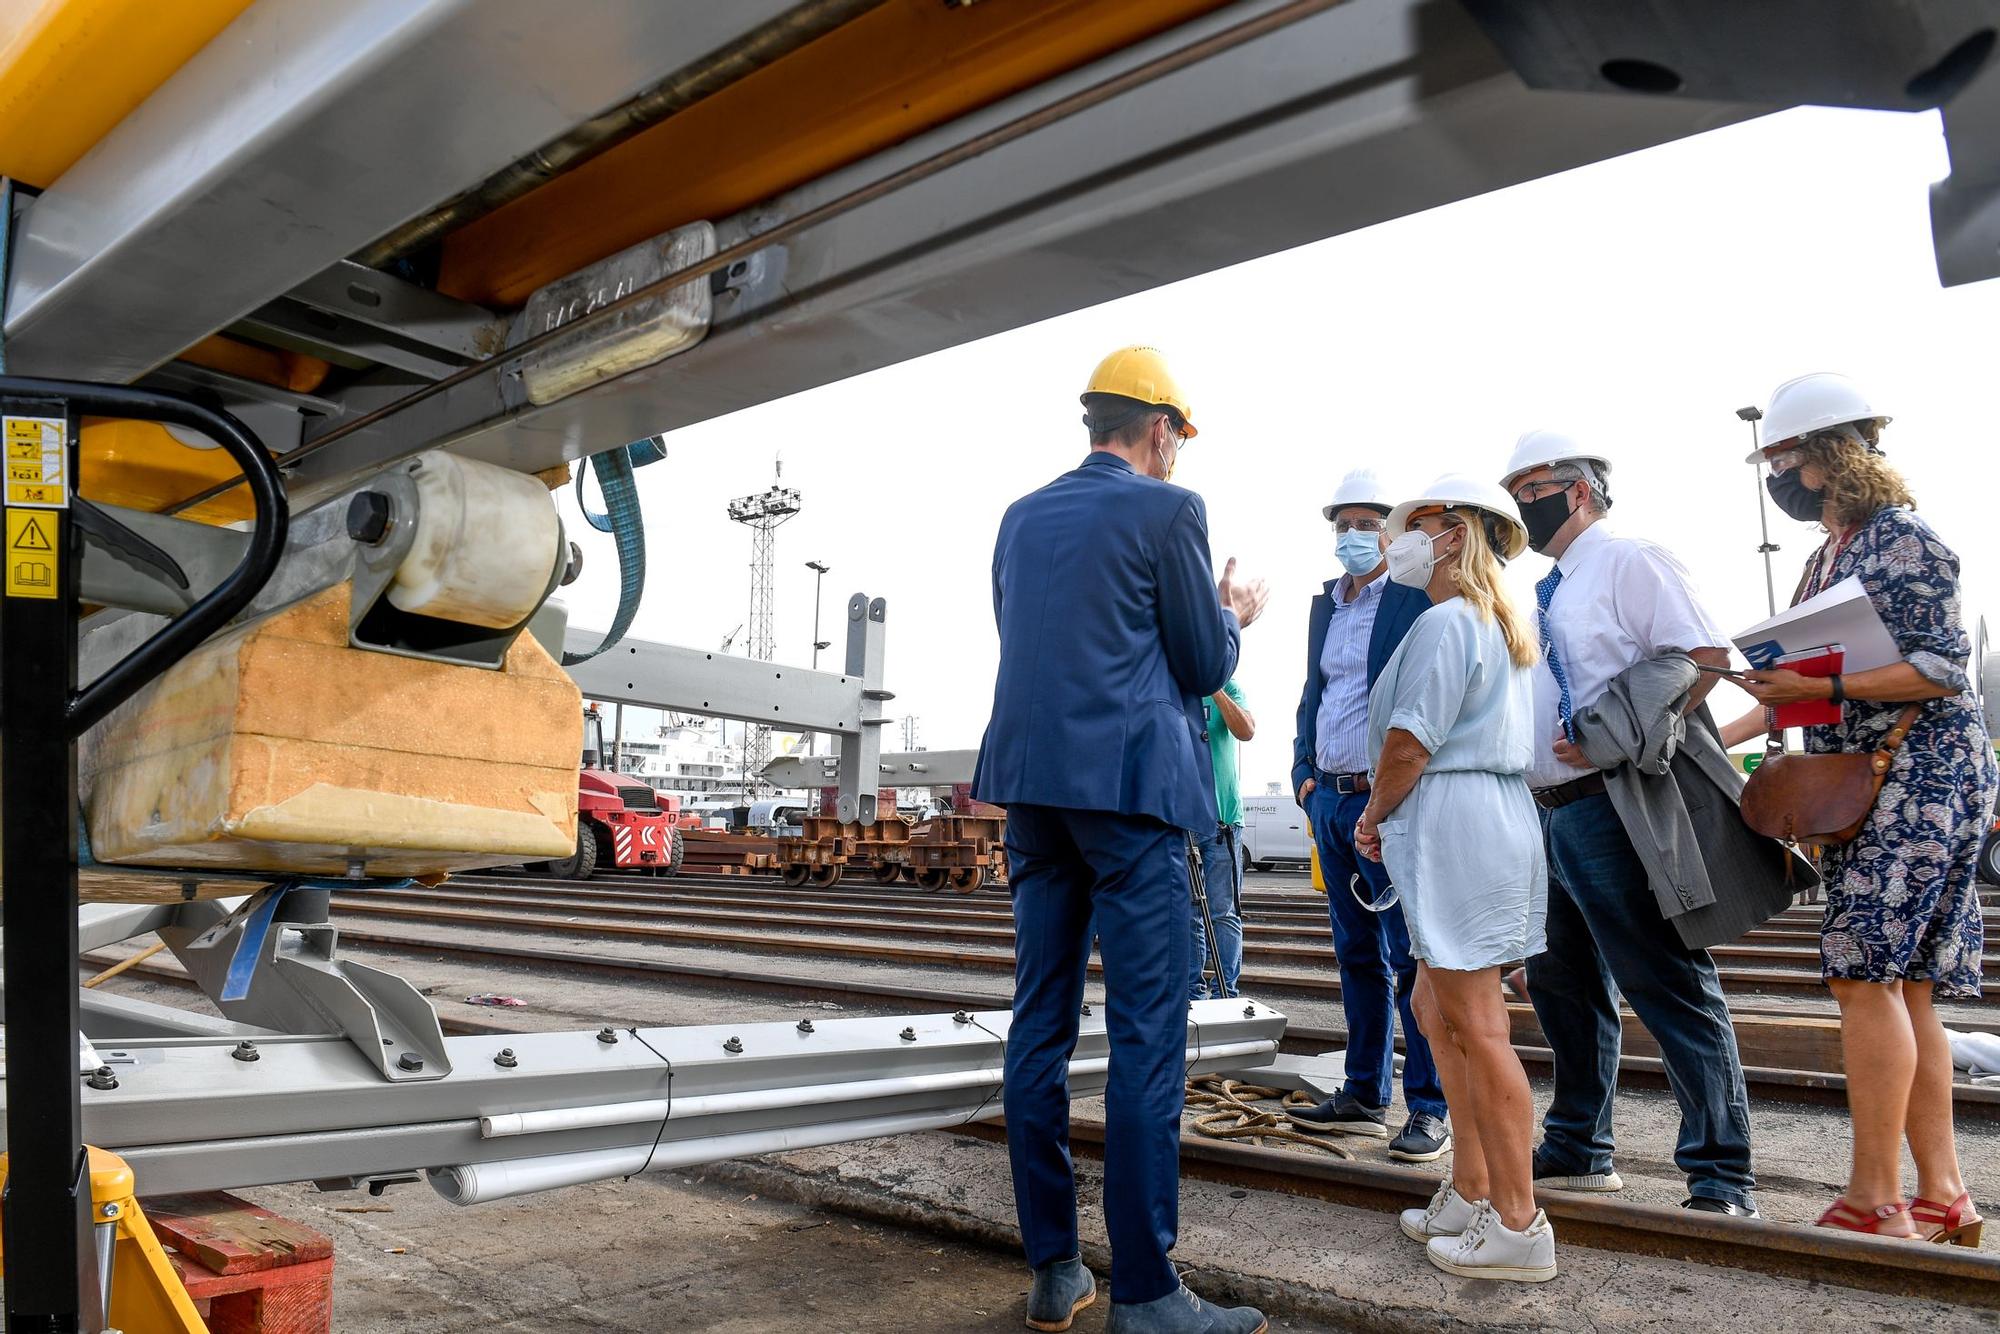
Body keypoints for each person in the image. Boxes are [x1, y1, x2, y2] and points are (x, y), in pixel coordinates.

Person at [972, 345, 1271, 1333]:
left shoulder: (1021, 516)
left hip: (1032, 789)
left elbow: (1028, 636)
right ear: (1157, 428)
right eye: (1178, 436)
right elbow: (1194, 658)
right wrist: (1230, 616)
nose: (1177, 453)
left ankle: (1054, 1267)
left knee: (1038, 1022)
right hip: (1129, 792)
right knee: (1148, 1032)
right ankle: (1147, 1291)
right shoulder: (1166, 511)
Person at [1722, 373, 1994, 1243]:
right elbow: (1796, 693)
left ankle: (1876, 1197)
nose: (1777, 475)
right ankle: (1942, 1192)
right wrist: (1711, 729)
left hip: (1919, 769)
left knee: (1863, 971)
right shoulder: (1826, 556)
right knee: (1905, 986)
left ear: (1824, 455)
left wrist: (1823, 681)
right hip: (1882, 772)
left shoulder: (1901, 540)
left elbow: (1942, 664)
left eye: (1782, 457)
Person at [1500, 430, 1763, 1217]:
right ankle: (1581, 1145)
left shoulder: (1629, 560)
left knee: (1667, 982)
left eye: (1533, 488)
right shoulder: (1551, 588)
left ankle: (1722, 1174)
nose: (1522, 504)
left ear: (1578, 490)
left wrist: (1624, 730)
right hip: (1552, 812)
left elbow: (1704, 656)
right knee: (1564, 988)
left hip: (1616, 803)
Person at [1355, 474, 1555, 1281]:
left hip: (1456, 821)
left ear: (1453, 535)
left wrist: (1372, 817)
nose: (1396, 539)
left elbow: (1411, 742)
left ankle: (1518, 1224)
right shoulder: (1496, 621)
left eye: (1416, 524)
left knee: (1474, 1023)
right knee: (1435, 1007)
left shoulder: (1445, 623)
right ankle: (1472, 1191)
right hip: (1488, 817)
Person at [1287, 468, 1451, 1164]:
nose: (1352, 535)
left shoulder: (1411, 600)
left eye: (1366, 524)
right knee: (1355, 956)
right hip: (1329, 798)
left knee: (1410, 957)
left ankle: (1429, 1107)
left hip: (1385, 801)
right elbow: (1314, 693)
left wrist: (1391, 796)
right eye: (1343, 524)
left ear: (1392, 533)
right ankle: (1361, 1092)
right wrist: (1302, 776)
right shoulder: (1326, 605)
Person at [1190, 679, 1254, 999]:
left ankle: (1225, 991)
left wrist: (1214, 686)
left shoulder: (1229, 689)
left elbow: (1246, 730)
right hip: (1184, 820)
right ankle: (1192, 990)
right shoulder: (1174, 688)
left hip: (1222, 820)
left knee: (1222, 911)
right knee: (1189, 913)